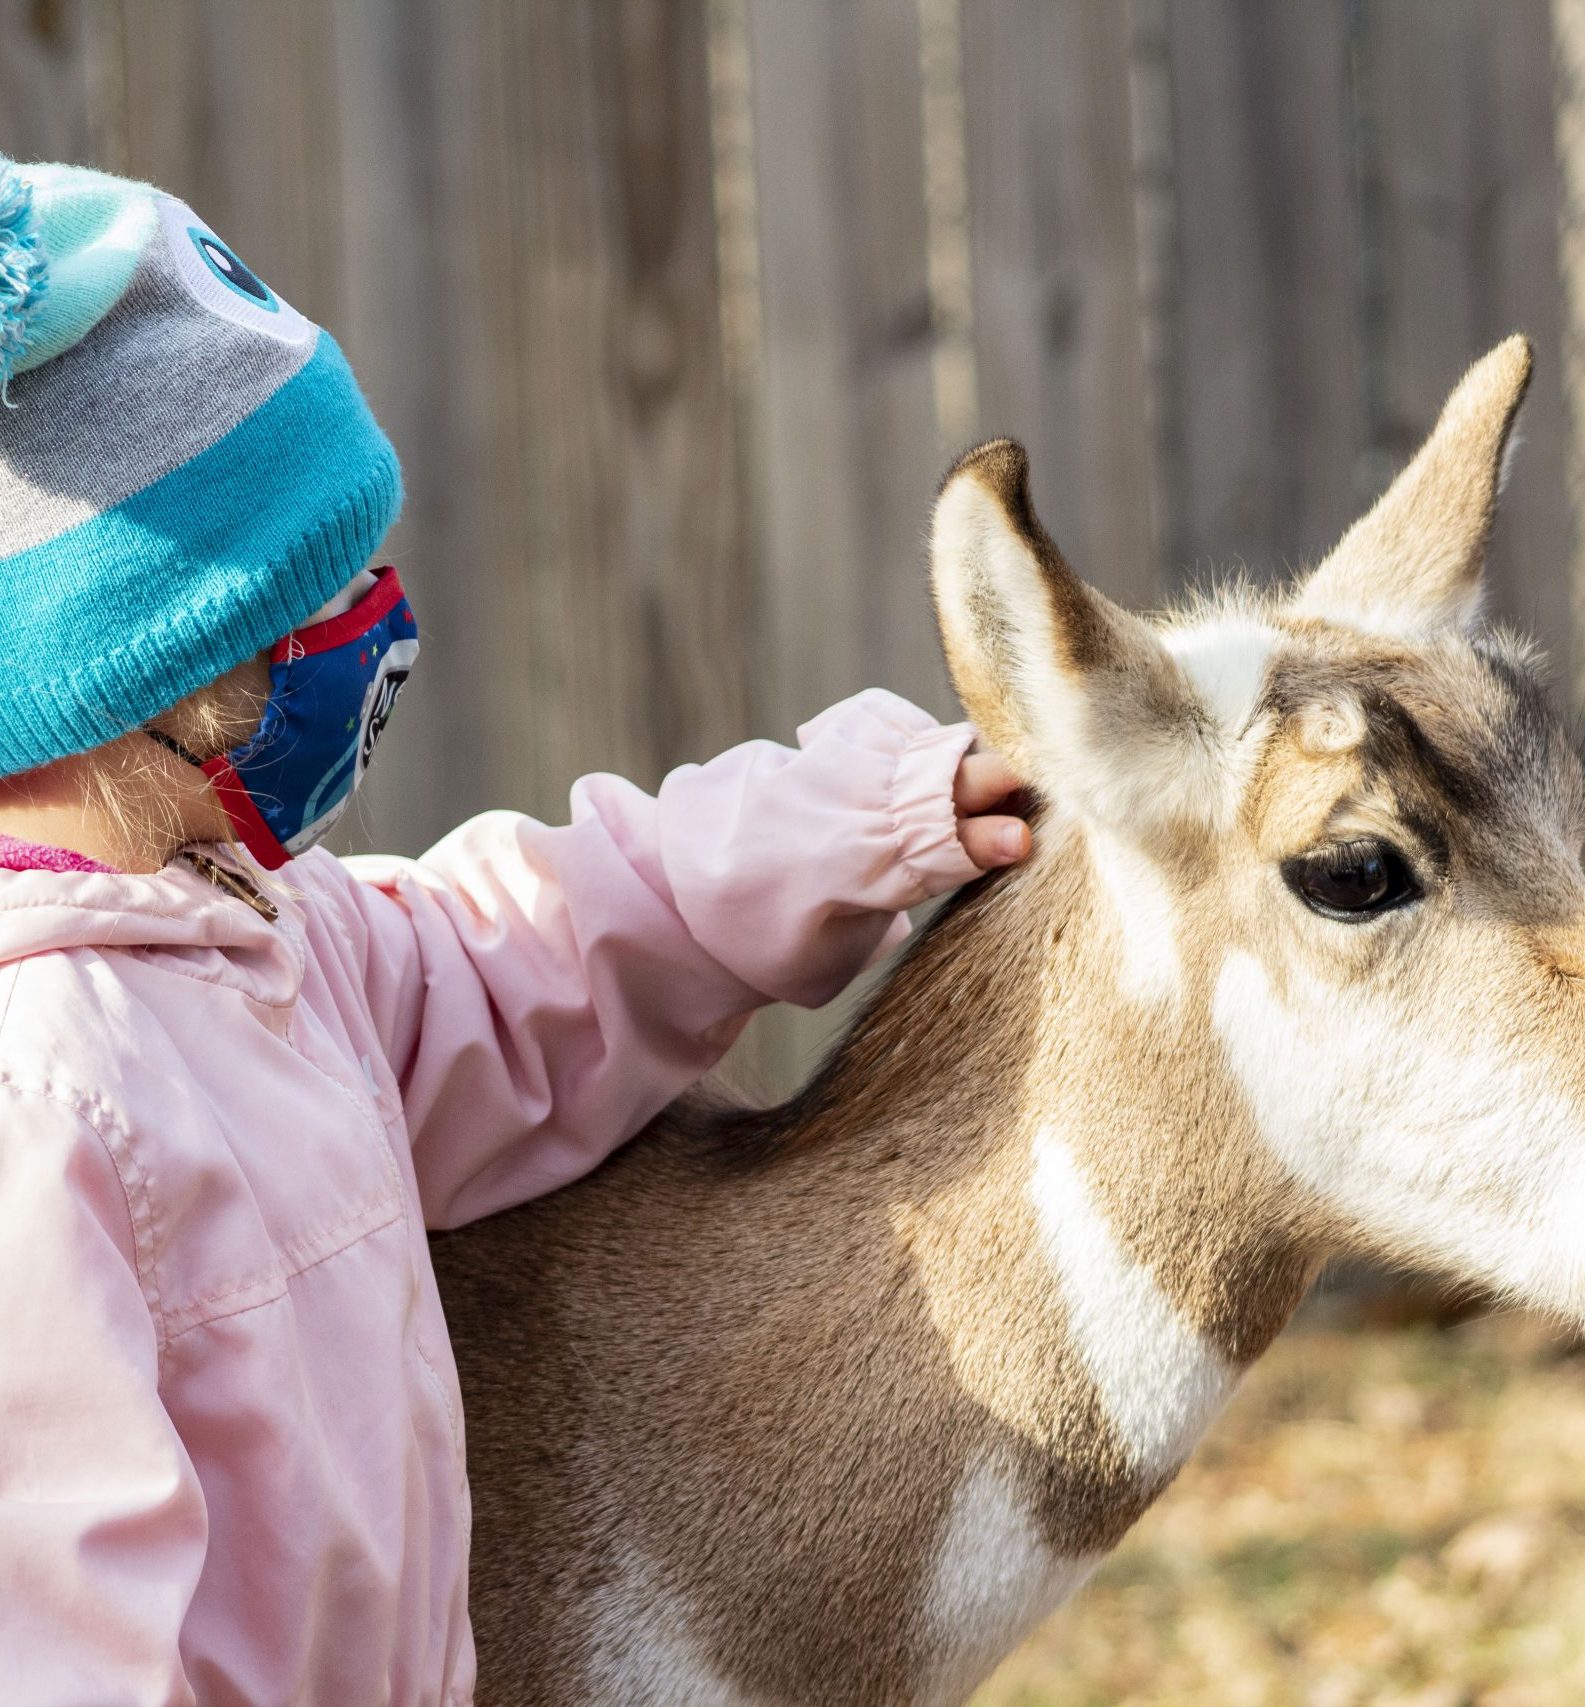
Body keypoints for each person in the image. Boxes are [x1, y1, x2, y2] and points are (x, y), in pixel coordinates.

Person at [0, 159, 1030, 1705]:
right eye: (313, 595)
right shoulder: (47, 1101)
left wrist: (868, 818)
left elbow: (526, 951)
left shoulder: (253, 938)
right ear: (129, 673)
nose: (377, 615)